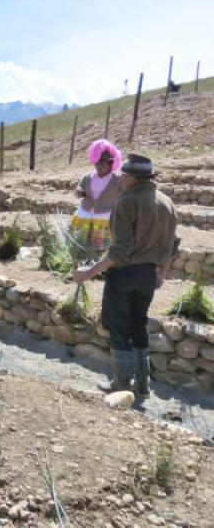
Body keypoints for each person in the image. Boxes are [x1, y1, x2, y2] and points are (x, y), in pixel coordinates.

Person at [74, 155, 179, 399]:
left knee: (118, 327)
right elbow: (171, 246)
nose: (119, 177)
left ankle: (121, 385)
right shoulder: (166, 202)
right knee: (139, 325)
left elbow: (119, 252)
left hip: (124, 275)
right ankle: (143, 386)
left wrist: (87, 274)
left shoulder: (127, 202)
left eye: (123, 174)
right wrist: (161, 274)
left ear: (133, 178)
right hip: (149, 275)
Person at [70, 139, 123, 251]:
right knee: (80, 243)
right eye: (97, 163)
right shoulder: (87, 177)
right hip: (85, 215)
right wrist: (79, 193)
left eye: (102, 163)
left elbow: (126, 194)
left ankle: (96, 265)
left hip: (104, 218)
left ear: (111, 163)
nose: (99, 166)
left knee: (100, 248)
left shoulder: (118, 180)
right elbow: (76, 194)